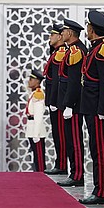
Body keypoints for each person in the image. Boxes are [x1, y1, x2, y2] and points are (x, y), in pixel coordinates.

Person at [78, 10, 104, 205]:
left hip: (97, 109)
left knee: (100, 149)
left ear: (92, 29)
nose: (87, 30)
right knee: (95, 147)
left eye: (88, 27)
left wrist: (103, 110)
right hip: (90, 106)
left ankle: (102, 191)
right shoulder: (96, 48)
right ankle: (98, 187)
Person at [56, 18, 87, 188]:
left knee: (75, 139)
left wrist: (69, 104)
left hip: (74, 104)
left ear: (70, 33)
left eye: (63, 31)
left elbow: (75, 81)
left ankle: (77, 174)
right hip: (68, 102)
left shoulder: (76, 51)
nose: (61, 34)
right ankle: (74, 172)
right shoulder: (71, 50)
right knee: (70, 139)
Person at [43, 23, 68, 175]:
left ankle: (62, 164)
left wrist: (54, 101)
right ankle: (60, 162)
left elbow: (58, 80)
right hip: (54, 99)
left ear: (60, 37)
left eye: (52, 35)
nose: (49, 38)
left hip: (58, 100)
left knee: (61, 134)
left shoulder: (61, 52)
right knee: (57, 133)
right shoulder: (55, 51)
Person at [24, 69, 47, 172]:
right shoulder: (33, 93)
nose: (29, 81)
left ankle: (42, 177)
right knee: (36, 157)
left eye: (32, 79)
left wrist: (36, 134)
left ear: (38, 81)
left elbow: (38, 116)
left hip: (36, 130)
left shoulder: (38, 94)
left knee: (39, 159)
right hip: (31, 128)